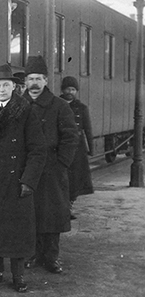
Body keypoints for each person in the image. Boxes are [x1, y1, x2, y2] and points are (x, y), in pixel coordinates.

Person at [0, 63, 47, 293]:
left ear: (14, 87)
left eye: (6, 85)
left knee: (16, 230)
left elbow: (38, 150)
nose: (2, 89)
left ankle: (18, 275)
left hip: (16, 181)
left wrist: (28, 180)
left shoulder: (25, 111)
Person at [23, 55, 79, 274]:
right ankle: (32, 253)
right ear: (25, 82)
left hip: (51, 169)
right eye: (30, 79)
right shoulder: (19, 105)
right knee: (30, 213)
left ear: (46, 81)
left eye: (38, 79)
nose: (34, 84)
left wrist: (61, 163)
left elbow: (70, 137)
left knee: (52, 214)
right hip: (27, 168)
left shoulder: (59, 106)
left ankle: (51, 256)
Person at [60, 76, 94, 219]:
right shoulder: (56, 104)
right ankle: (62, 208)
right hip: (61, 146)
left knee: (75, 179)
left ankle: (68, 207)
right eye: (68, 89)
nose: (70, 92)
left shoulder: (82, 108)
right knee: (61, 178)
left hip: (78, 148)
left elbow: (88, 129)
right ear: (63, 90)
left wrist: (91, 148)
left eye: (73, 89)